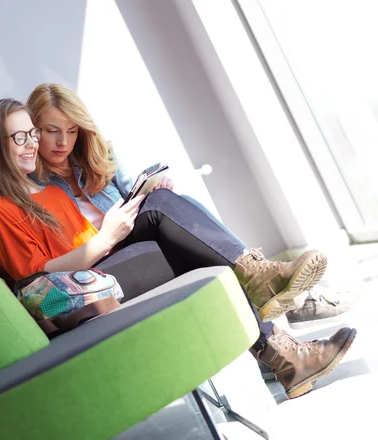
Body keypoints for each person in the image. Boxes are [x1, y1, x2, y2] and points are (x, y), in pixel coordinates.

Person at [0, 98, 356, 399]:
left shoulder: (51, 194)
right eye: (19, 136)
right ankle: (269, 307)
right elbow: (38, 280)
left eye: (31, 135)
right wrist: (106, 237)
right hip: (68, 301)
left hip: (97, 277)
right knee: (183, 235)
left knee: (182, 230)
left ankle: (284, 349)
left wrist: (121, 221)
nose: (32, 144)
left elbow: (89, 247)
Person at [26, 83, 359, 328]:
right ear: (33, 130)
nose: (63, 142)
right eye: (52, 131)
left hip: (136, 238)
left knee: (173, 209)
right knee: (168, 216)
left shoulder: (98, 155)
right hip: (103, 259)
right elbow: (52, 261)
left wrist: (155, 186)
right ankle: (275, 287)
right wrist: (110, 231)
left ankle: (282, 344)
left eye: (71, 131)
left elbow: (136, 190)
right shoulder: (34, 186)